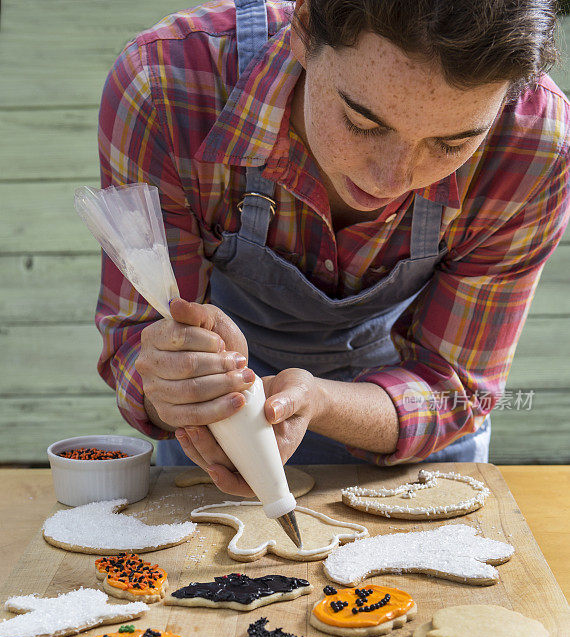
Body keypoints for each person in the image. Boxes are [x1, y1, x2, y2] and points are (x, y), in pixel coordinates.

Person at [96, 0, 569, 497]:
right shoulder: (165, 88)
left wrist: (318, 400)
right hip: (223, 434)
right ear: (303, 28)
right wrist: (175, 388)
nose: (389, 179)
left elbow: (455, 388)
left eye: (451, 145)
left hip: (415, 443)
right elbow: (138, 338)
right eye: (363, 123)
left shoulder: (535, 144)